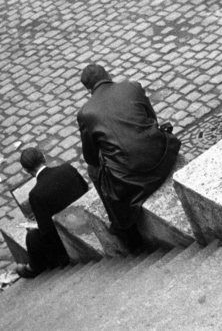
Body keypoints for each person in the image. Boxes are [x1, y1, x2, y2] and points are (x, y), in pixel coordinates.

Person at [76, 63, 180, 253]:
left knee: (93, 171)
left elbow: (91, 158)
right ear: (107, 74)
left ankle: (123, 227)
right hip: (161, 155)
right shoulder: (132, 86)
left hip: (132, 178)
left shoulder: (86, 113)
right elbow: (153, 119)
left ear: (88, 89)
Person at [15, 147, 88, 279]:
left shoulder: (35, 194)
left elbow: (47, 231)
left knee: (32, 237)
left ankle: (33, 268)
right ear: (44, 157)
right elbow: (85, 188)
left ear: (26, 170)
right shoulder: (67, 169)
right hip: (85, 218)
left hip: (65, 240)